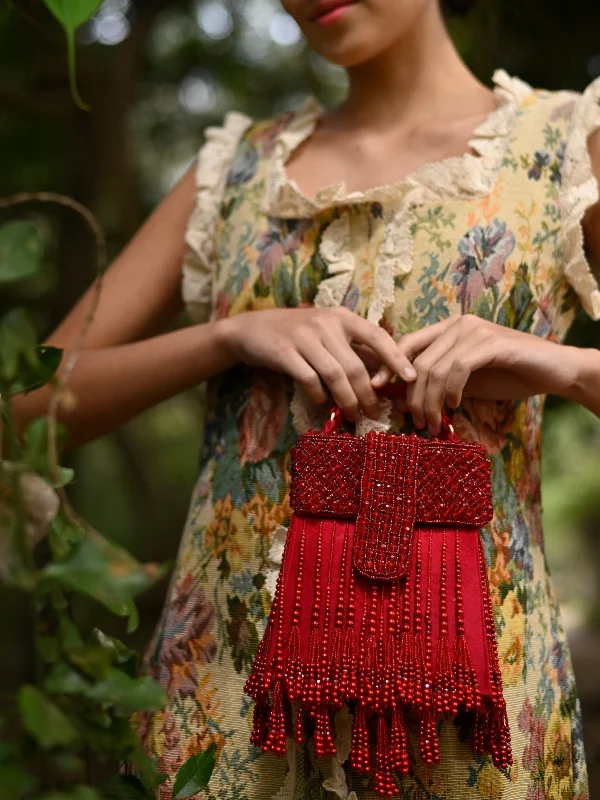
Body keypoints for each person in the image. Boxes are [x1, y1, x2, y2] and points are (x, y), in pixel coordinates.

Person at [14, 0, 600, 797]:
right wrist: (226, 338)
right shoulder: (236, 171)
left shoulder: (565, 146)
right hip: (224, 702)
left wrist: (554, 362)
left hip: (466, 710)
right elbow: (25, 408)